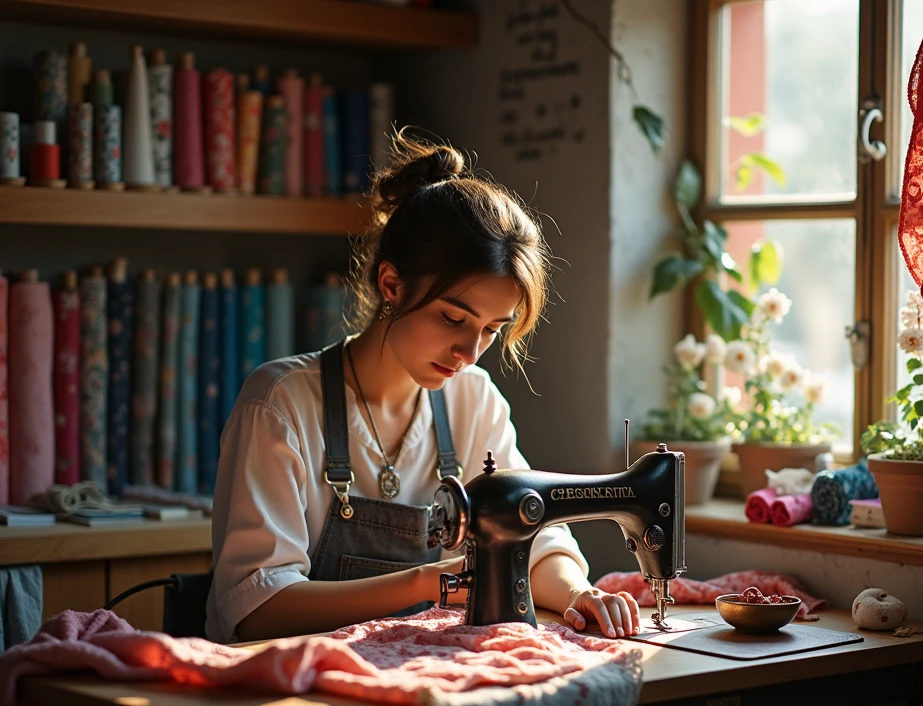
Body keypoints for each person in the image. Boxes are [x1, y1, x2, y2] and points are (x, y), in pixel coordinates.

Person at [206, 130, 641, 643]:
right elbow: (256, 609)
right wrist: (425, 583)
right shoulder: (280, 404)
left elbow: (533, 538)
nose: (470, 352)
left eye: (491, 329)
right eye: (454, 318)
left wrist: (576, 593)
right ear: (391, 284)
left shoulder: (472, 399)